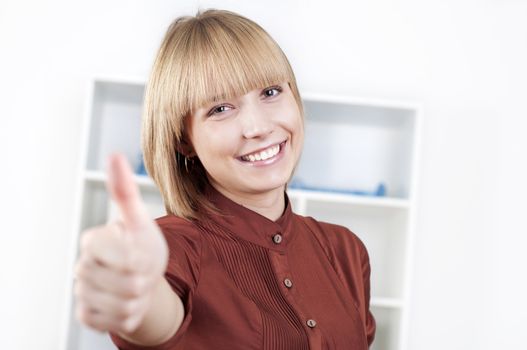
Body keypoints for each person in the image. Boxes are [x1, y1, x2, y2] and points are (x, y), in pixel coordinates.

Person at [74, 9, 376, 350]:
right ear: (184, 140)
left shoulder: (345, 250)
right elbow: (156, 319)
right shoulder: (172, 246)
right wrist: (138, 297)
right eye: (220, 109)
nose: (258, 127)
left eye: (271, 92)